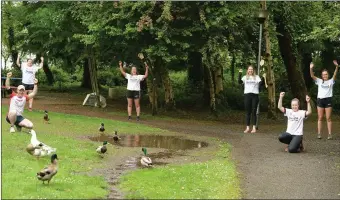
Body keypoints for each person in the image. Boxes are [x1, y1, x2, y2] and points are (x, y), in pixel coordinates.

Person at [310, 60, 338, 140]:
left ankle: (329, 134)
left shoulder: (331, 81)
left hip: (328, 100)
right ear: (322, 76)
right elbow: (312, 76)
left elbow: (335, 75)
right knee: (320, 117)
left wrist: (336, 67)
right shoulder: (319, 81)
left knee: (328, 118)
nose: (324, 76)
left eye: (326, 74)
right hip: (320, 100)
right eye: (323, 75)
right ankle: (319, 134)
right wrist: (311, 68)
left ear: (328, 75)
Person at [238, 65, 267, 133]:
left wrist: (263, 77)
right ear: (247, 70)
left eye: (251, 69)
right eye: (249, 69)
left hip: (255, 96)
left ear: (253, 70)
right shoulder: (245, 77)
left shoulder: (256, 77)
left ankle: (254, 128)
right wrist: (240, 73)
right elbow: (239, 82)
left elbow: (261, 83)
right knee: (248, 112)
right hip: (247, 95)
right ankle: (247, 127)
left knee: (254, 112)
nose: (250, 70)